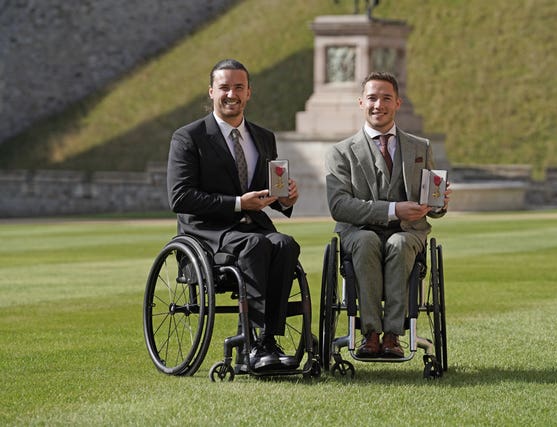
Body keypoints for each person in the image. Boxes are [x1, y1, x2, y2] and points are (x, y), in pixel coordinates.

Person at [167, 58, 300, 371]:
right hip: (207, 234)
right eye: (224, 87)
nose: (231, 94)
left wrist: (285, 198)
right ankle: (254, 342)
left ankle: (268, 338)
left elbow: (267, 192)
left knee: (285, 244)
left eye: (238, 87)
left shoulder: (264, 137)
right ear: (211, 91)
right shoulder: (188, 138)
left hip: (252, 227)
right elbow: (180, 196)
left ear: (249, 92)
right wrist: (239, 203)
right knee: (257, 246)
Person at [325, 71, 451, 358]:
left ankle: (393, 334)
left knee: (400, 243)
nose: (378, 105)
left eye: (386, 98)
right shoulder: (340, 152)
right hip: (358, 233)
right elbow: (339, 206)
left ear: (398, 103)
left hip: (407, 233)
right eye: (372, 98)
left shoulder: (421, 147)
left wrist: (439, 203)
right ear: (361, 102)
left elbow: (432, 204)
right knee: (368, 240)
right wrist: (394, 209)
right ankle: (371, 333)